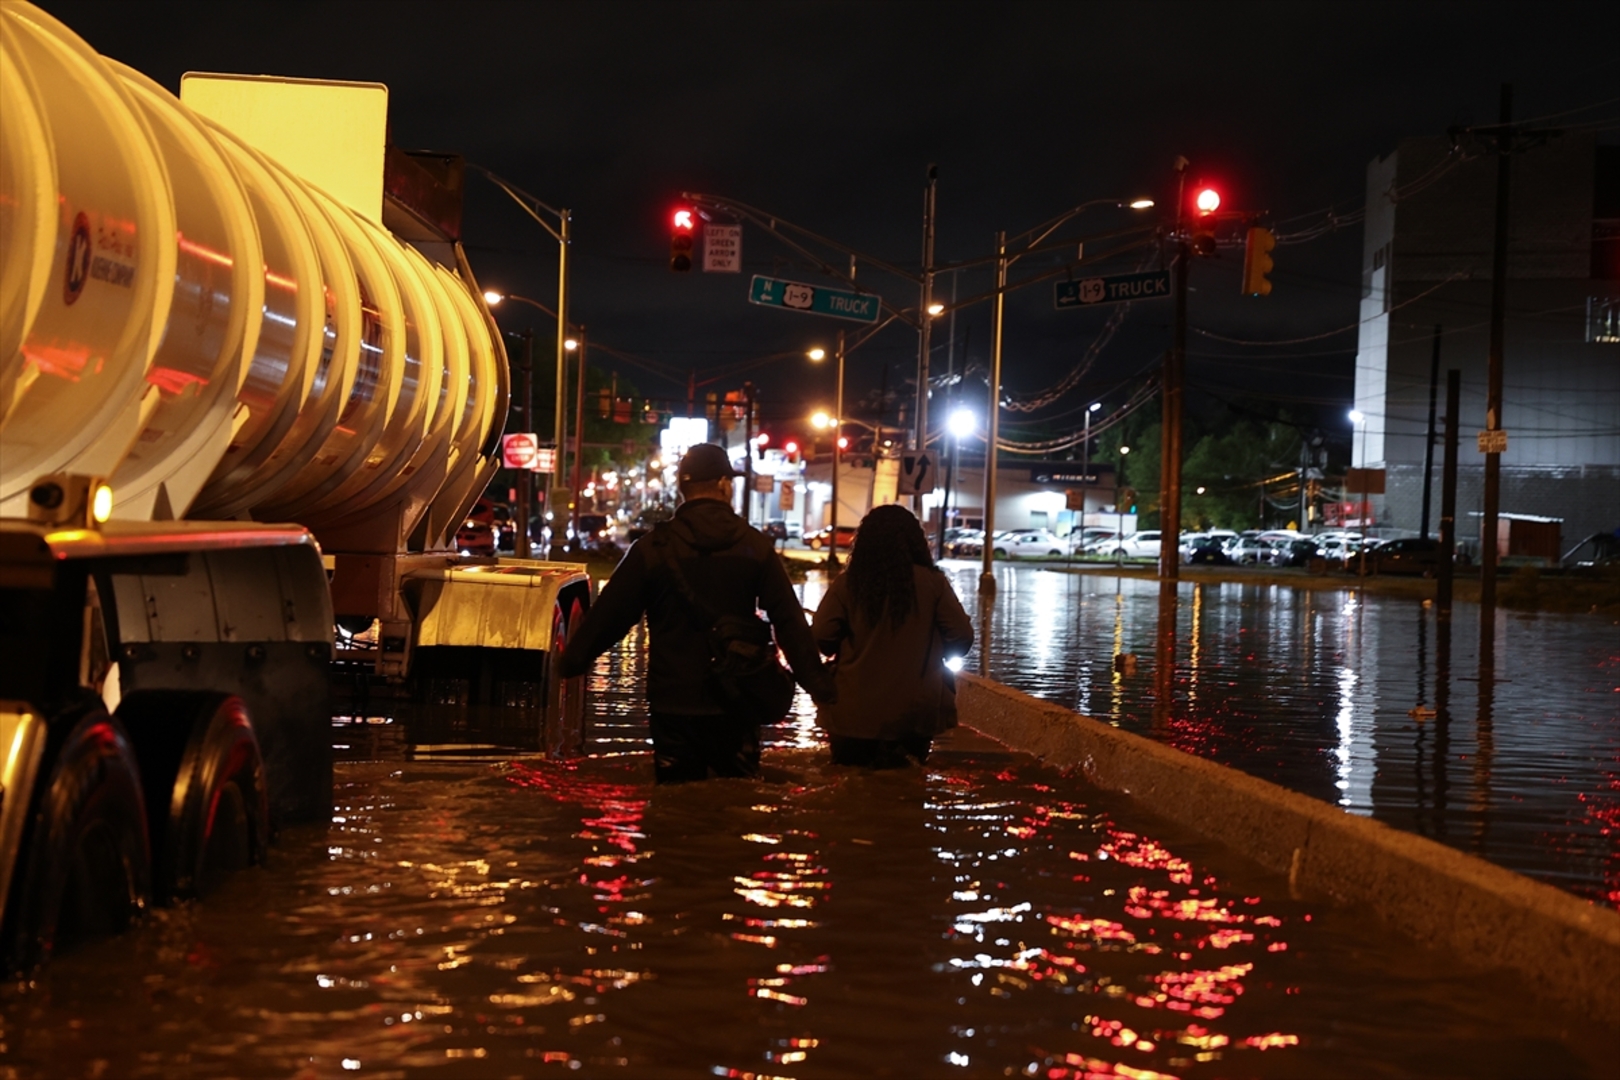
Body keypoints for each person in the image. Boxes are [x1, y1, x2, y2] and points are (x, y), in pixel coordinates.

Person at [561, 443, 830, 783]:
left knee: (676, 807)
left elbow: (610, 617)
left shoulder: (652, 549)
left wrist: (573, 660)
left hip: (674, 705)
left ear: (681, 489)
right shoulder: (754, 546)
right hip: (736, 700)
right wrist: (819, 687)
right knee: (735, 804)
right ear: (722, 485)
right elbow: (789, 623)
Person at [811, 504, 974, 768]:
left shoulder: (848, 583)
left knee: (849, 795)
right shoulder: (933, 584)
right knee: (908, 794)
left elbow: (821, 637)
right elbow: (962, 638)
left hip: (853, 714)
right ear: (915, 541)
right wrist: (930, 652)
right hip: (916, 715)